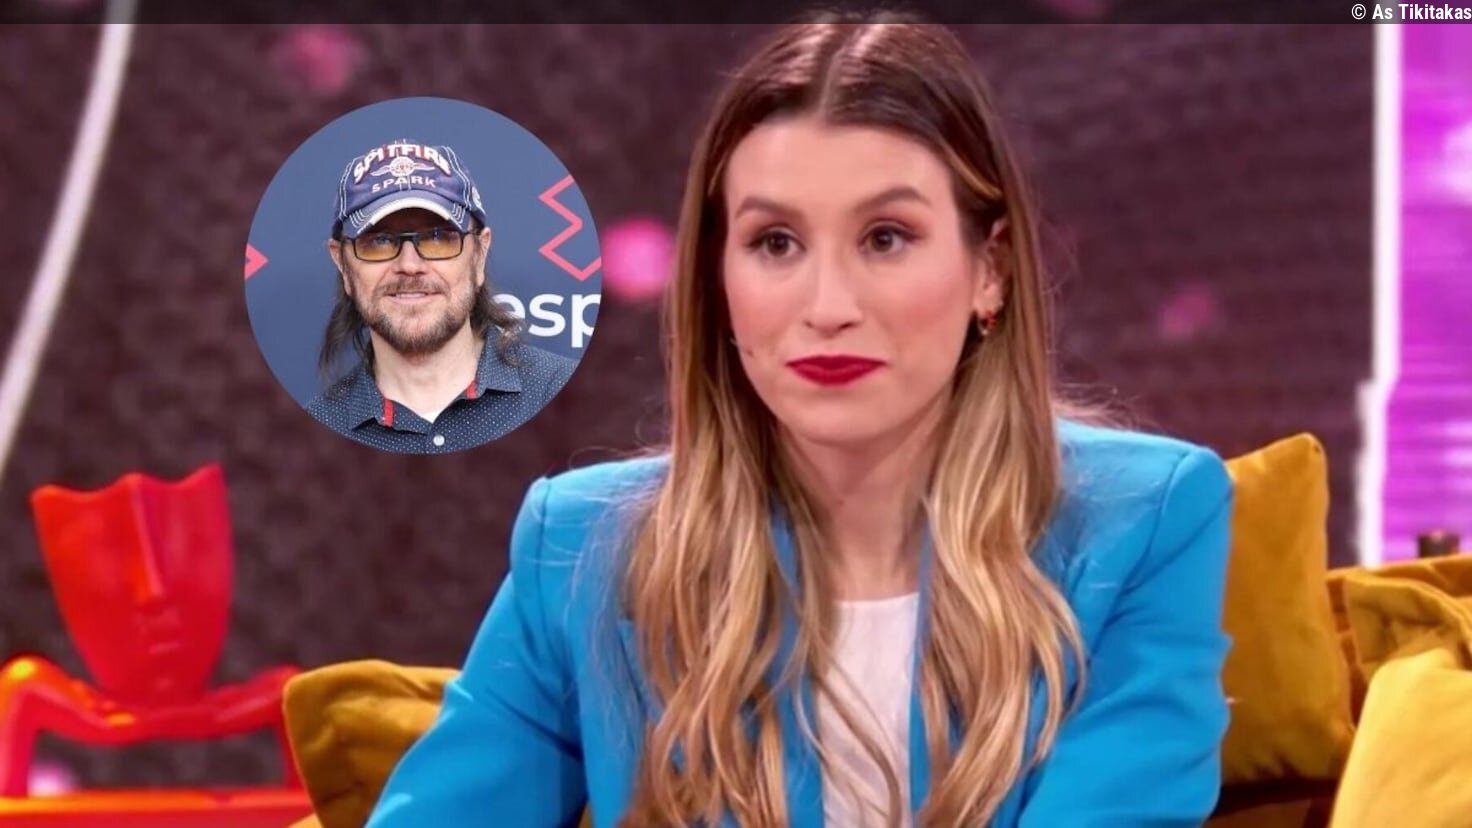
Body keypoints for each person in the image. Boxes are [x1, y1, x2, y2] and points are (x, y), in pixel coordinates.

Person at [365, 16, 1232, 828]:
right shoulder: (582, 550)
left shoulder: (1144, 524)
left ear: (990, 269)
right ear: (719, 278)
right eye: (776, 243)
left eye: (886, 237)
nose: (828, 306)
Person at [305, 139, 578, 454]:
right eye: (378, 241)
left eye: (438, 238)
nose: (410, 266)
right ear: (341, 262)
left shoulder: (565, 397)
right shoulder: (314, 439)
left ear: (479, 254)